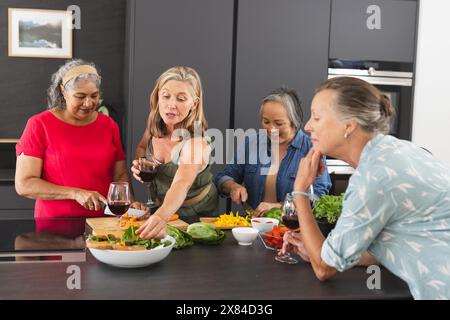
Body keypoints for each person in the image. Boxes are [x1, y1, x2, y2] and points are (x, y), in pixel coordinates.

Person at [281, 76, 450, 299]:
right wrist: (323, 250)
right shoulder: (399, 151)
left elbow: (323, 268)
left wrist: (301, 190)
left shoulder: (374, 176)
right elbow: (392, 245)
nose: (308, 126)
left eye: (317, 117)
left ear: (348, 126)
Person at [15, 59, 143, 219]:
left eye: (94, 95)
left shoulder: (109, 125)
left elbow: (120, 174)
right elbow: (24, 184)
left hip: (105, 222)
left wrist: (130, 203)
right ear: (63, 91)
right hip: (56, 223)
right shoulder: (39, 124)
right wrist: (75, 193)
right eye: (80, 96)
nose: (88, 103)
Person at [131, 66, 218, 239]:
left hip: (195, 215)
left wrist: (161, 216)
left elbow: (182, 183)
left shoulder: (196, 142)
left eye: (181, 99)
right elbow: (141, 147)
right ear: (157, 97)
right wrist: (141, 163)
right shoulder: (155, 120)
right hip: (161, 208)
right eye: (166, 96)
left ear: (194, 103)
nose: (171, 105)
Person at [214, 88, 331, 214]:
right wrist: (233, 187)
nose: (271, 129)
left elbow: (319, 197)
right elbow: (222, 178)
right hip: (253, 225)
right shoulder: (252, 143)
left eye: (279, 123)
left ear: (294, 122)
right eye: (266, 122)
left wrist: (279, 206)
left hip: (293, 228)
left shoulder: (311, 149)